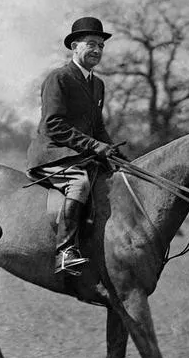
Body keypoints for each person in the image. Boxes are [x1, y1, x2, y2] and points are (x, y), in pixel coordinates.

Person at [27, 17, 121, 276]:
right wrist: (93, 145)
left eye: (101, 46)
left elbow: (98, 128)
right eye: (91, 44)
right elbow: (53, 124)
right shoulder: (59, 78)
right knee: (80, 183)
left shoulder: (97, 84)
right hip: (52, 153)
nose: (97, 50)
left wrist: (117, 155)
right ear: (74, 46)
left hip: (81, 155)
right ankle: (65, 252)